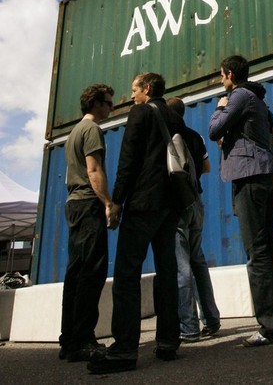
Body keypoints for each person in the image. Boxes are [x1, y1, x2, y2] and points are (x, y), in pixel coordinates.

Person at [87, 72, 187, 375]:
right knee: (167, 271)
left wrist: (116, 201)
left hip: (144, 202)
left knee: (127, 273)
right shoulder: (173, 116)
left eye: (134, 89)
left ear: (147, 89)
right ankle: (169, 341)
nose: (131, 96)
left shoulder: (141, 112)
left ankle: (125, 349)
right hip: (171, 205)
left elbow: (128, 160)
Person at [208, 55, 273, 347]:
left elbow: (214, 130)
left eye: (221, 76)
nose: (221, 80)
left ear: (230, 74)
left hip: (251, 177)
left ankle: (269, 327)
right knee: (269, 249)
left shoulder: (239, 95)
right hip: (269, 175)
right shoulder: (257, 97)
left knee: (256, 252)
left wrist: (220, 108)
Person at [59, 83, 118, 362]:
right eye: (108, 102)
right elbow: (94, 171)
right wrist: (108, 203)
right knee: (91, 274)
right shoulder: (92, 129)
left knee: (75, 274)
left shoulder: (73, 133)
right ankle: (83, 340)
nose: (111, 107)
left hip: (73, 205)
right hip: (87, 204)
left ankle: (69, 340)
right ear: (95, 103)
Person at [166, 96, 221, 342]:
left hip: (178, 203)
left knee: (182, 265)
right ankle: (211, 319)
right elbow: (207, 167)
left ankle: (188, 327)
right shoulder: (196, 136)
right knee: (197, 260)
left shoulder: (167, 134)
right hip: (197, 201)